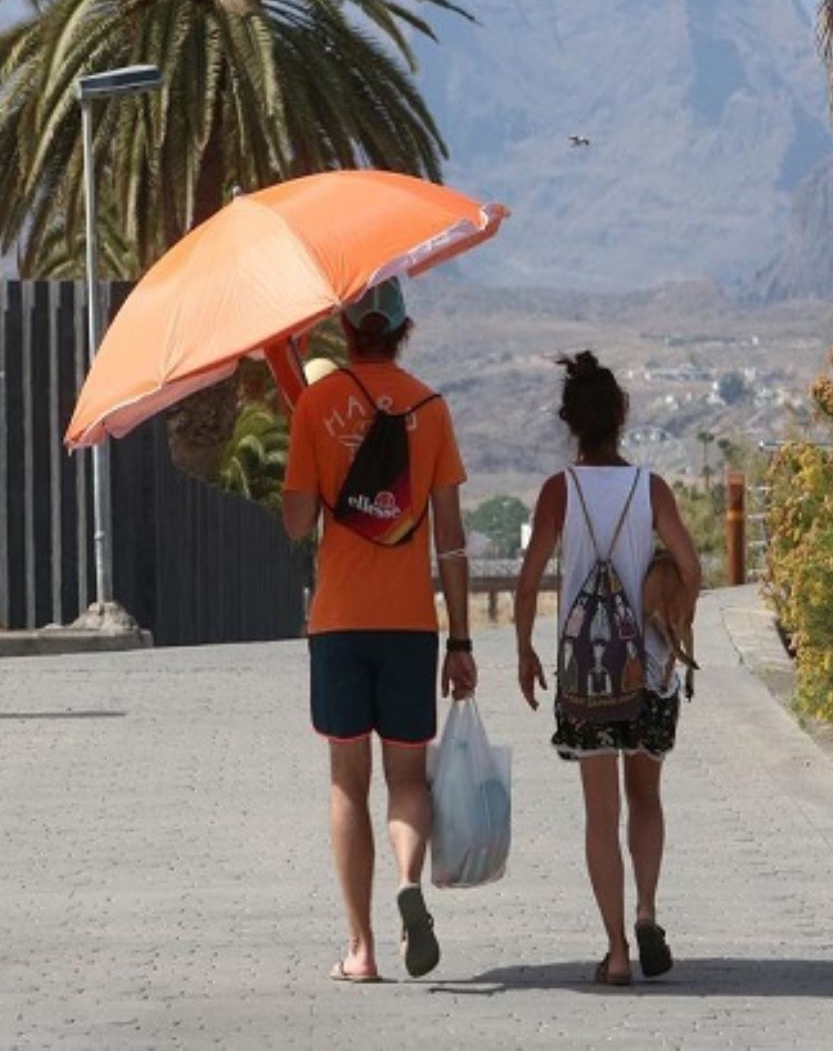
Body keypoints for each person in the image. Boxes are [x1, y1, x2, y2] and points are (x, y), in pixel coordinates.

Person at [282, 278, 476, 984]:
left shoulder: (315, 404)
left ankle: (361, 947)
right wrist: (460, 640)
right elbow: (451, 540)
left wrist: (306, 455)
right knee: (406, 778)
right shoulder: (431, 407)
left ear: (344, 328)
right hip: (410, 624)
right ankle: (408, 880)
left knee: (346, 781)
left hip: (337, 621)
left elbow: (298, 522)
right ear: (402, 328)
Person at [513, 351, 702, 986]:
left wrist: (524, 648)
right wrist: (676, 622)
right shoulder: (650, 489)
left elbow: (530, 575)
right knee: (645, 795)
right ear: (622, 417)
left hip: (588, 674)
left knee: (600, 815)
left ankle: (617, 952)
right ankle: (648, 910)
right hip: (647, 668)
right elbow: (692, 567)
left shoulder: (557, 492)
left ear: (570, 421)